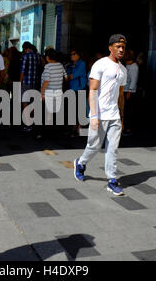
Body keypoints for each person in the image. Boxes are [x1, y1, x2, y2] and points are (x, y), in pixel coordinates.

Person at [73, 34, 128, 196]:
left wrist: (122, 117)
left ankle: (112, 180)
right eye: (118, 46)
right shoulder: (100, 64)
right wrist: (94, 116)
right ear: (110, 48)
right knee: (94, 146)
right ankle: (81, 163)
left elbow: (120, 95)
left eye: (123, 47)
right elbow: (92, 90)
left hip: (114, 116)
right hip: (100, 114)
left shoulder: (123, 70)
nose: (121, 49)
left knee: (112, 149)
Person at [39, 48, 68, 138]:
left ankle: (47, 133)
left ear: (47, 57)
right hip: (58, 92)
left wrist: (42, 93)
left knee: (48, 113)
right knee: (56, 112)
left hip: (49, 92)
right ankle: (56, 133)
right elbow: (66, 77)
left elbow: (46, 81)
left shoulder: (48, 67)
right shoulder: (60, 65)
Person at [20, 41, 42, 132]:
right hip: (35, 83)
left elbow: (22, 71)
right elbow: (41, 68)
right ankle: (32, 123)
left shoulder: (25, 57)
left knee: (25, 103)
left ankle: (28, 123)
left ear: (25, 48)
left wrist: (19, 82)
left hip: (26, 83)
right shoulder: (38, 56)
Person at [66, 49, 87, 136]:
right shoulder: (70, 65)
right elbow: (67, 76)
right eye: (71, 54)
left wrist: (68, 76)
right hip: (72, 89)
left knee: (80, 109)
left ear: (78, 55)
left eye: (73, 54)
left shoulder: (82, 64)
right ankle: (74, 127)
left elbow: (72, 76)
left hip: (80, 89)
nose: (71, 55)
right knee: (72, 109)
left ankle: (79, 128)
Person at [123, 50, 139, 136]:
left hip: (130, 91)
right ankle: (125, 127)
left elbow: (134, 80)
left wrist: (130, 91)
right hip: (125, 90)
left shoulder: (134, 67)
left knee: (129, 110)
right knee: (125, 110)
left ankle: (128, 128)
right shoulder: (127, 65)